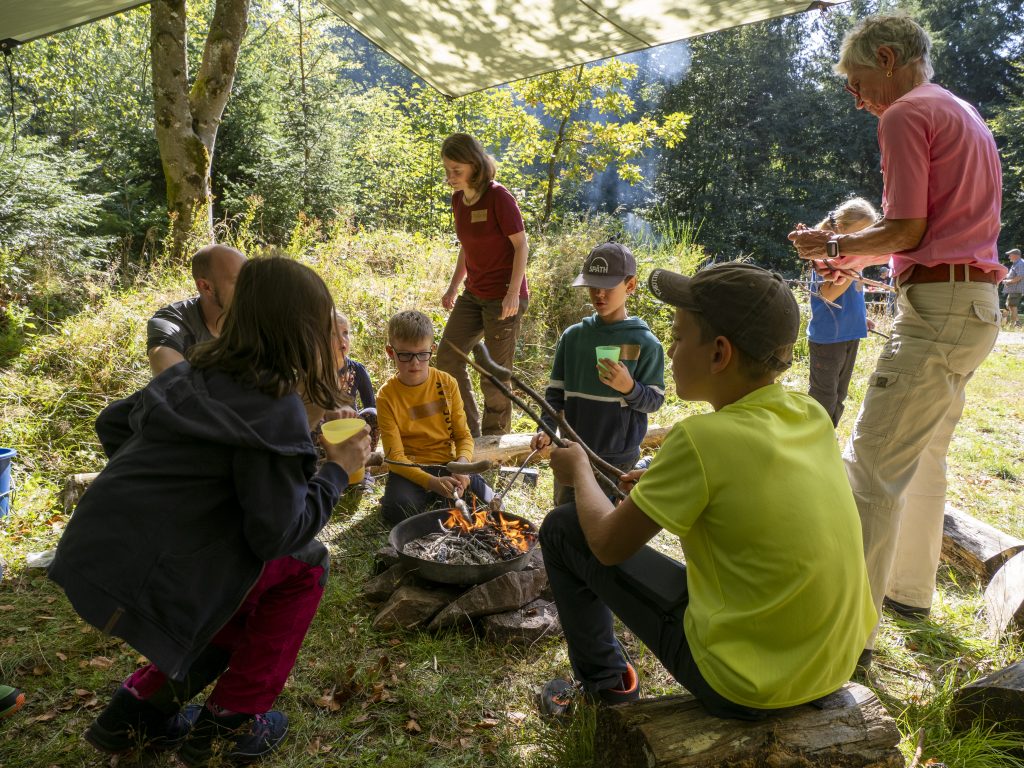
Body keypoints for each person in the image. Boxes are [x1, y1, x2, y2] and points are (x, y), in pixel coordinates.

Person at [48, 258, 371, 763]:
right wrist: (336, 469)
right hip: (146, 584)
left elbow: (113, 424)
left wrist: (183, 507)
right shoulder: (274, 403)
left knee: (236, 564)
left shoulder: (195, 369)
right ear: (301, 330)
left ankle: (134, 714)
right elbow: (278, 534)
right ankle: (231, 723)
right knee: (302, 565)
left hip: (89, 558)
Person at [537, 263, 875, 720]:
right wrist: (662, 482)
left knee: (564, 527)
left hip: (745, 684)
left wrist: (578, 469)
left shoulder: (701, 439)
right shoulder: (809, 414)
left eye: (677, 337)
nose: (671, 351)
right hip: (833, 664)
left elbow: (608, 545)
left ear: (719, 353)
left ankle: (604, 686)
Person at [789, 15, 1004, 662]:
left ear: (887, 58)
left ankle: (841, 635)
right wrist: (854, 257)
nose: (857, 99)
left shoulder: (906, 114)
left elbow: (907, 231)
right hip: (974, 306)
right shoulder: (960, 110)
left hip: (937, 313)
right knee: (927, 456)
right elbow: (935, 234)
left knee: (870, 470)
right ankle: (910, 591)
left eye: (857, 83)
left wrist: (831, 243)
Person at [530, 242, 665, 504]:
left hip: (617, 459)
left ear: (630, 286)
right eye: (593, 286)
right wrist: (546, 428)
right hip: (572, 450)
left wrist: (630, 388)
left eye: (608, 286)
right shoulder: (573, 337)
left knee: (607, 526)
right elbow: (555, 395)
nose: (599, 294)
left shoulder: (645, 342)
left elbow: (655, 400)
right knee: (566, 516)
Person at [435, 133, 529, 437]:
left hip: (503, 297)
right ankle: (470, 432)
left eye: (456, 171)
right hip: (474, 294)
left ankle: (495, 439)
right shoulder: (458, 200)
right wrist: (453, 287)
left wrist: (512, 293)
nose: (450, 177)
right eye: (447, 170)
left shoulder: (498, 197)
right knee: (448, 356)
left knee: (494, 376)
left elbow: (521, 246)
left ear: (475, 166)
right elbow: (467, 246)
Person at [377, 310, 493, 525]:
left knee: (488, 500)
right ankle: (434, 496)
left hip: (448, 463)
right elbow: (394, 457)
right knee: (397, 511)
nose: (415, 363)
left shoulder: (447, 383)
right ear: (390, 352)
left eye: (422, 354)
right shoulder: (386, 396)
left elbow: (463, 436)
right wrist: (431, 482)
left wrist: (463, 466)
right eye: (405, 355)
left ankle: (442, 495)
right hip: (411, 467)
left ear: (432, 350)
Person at [804, 198, 878, 426]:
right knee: (823, 397)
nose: (863, 241)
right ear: (842, 228)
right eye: (860, 234)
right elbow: (826, 294)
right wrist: (855, 265)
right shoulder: (824, 255)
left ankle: (827, 440)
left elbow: (852, 292)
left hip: (850, 334)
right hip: (828, 338)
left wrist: (860, 318)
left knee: (839, 395)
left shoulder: (851, 259)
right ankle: (812, 442)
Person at [146, 244, 247, 375]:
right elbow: (172, 382)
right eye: (239, 281)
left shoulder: (260, 316)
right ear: (205, 287)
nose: (249, 288)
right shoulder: (173, 321)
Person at [333, 312, 378, 452]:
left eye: (345, 333)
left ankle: (365, 464)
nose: (342, 339)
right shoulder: (314, 370)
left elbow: (370, 404)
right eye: (334, 334)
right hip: (326, 430)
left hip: (351, 429)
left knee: (373, 413)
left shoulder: (358, 370)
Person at [1003, 248, 1023, 327]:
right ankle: (1017, 322)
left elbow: (1020, 276)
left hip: (1016, 289)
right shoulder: (1016, 263)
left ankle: (1013, 324)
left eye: (1010, 255)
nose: (1009, 257)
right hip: (1013, 289)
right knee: (1008, 305)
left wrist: (1008, 281)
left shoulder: (1020, 264)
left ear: (1015, 255)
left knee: (1012, 306)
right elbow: (1012, 275)